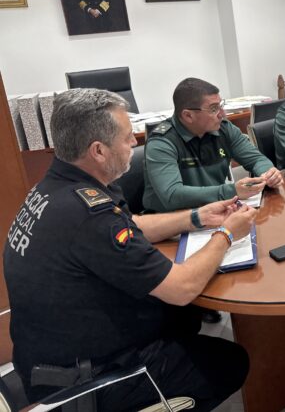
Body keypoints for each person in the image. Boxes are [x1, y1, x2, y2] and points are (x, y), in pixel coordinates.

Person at [3, 88, 256, 411]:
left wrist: (196, 217)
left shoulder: (55, 187)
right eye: (126, 138)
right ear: (98, 151)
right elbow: (182, 287)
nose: (134, 144)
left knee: (184, 318)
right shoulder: (88, 215)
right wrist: (226, 234)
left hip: (49, 354)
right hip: (81, 382)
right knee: (230, 362)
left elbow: (130, 223)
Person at [143, 77, 284, 213]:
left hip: (214, 210)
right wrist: (232, 191)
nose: (222, 114)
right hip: (172, 220)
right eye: (213, 109)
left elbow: (256, 159)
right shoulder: (162, 143)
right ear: (188, 116)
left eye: (220, 106)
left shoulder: (224, 129)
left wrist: (268, 173)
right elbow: (172, 195)